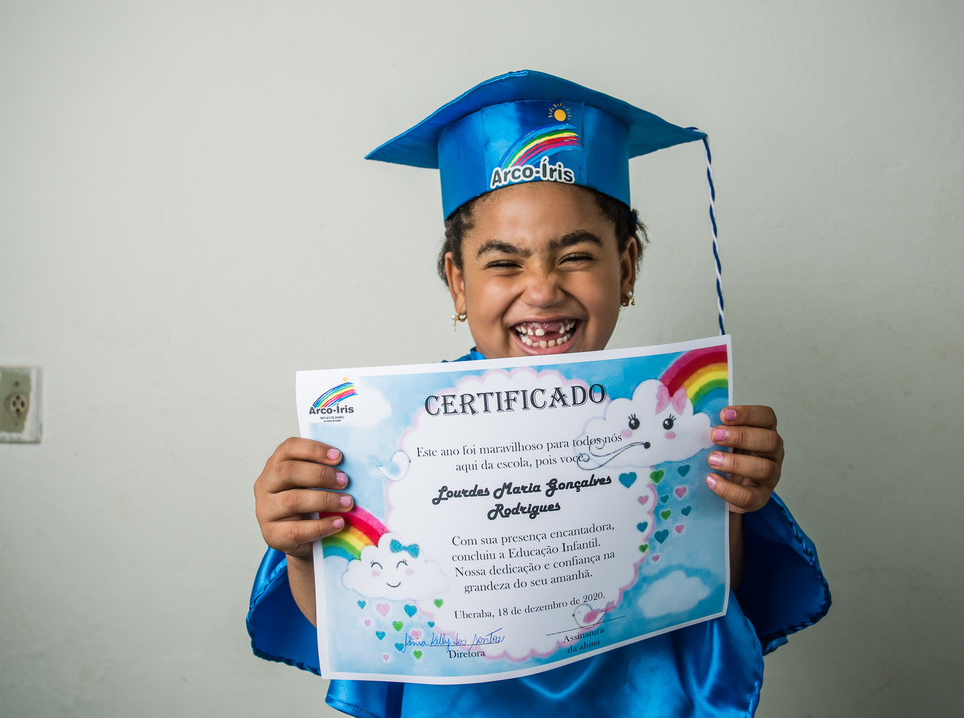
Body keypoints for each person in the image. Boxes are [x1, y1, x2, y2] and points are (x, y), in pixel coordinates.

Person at [250, 70, 830, 717]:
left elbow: (710, 589)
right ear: (458, 282)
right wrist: (306, 549)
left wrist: (736, 498)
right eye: (504, 263)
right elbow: (357, 630)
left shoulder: (671, 420)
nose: (543, 288)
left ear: (627, 267)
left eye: (576, 255)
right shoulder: (395, 442)